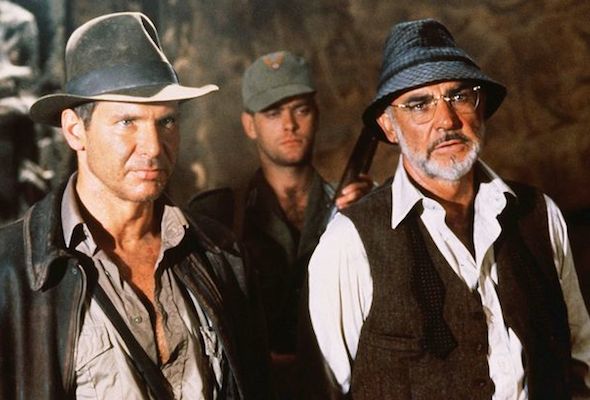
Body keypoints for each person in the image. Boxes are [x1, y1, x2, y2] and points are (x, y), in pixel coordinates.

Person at [306, 18, 590, 399]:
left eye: (459, 96)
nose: (447, 120)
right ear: (388, 126)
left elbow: (580, 355)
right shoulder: (348, 244)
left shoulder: (539, 214)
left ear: (480, 106)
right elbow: (328, 390)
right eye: (419, 104)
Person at [0, 12, 271, 399]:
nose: (154, 147)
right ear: (75, 130)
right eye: (127, 122)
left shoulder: (219, 255)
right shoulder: (11, 273)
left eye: (166, 122)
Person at [187, 50, 372, 398]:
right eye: (273, 113)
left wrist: (370, 218)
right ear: (249, 125)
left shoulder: (358, 205)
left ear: (316, 114)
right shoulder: (218, 216)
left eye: (300, 110)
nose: (289, 125)